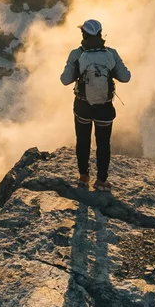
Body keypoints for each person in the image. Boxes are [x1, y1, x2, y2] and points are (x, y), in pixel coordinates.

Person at [60, 18, 131, 191]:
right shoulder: (111, 54)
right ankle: (101, 181)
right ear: (100, 34)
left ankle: (83, 176)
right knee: (103, 143)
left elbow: (65, 80)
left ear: (83, 34)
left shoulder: (77, 54)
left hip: (83, 106)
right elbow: (125, 77)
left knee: (83, 140)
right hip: (105, 107)